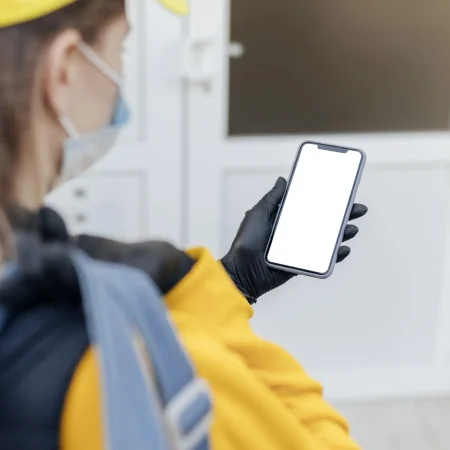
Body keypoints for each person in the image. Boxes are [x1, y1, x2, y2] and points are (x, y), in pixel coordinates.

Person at [0, 1, 368, 449]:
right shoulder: (128, 368)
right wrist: (207, 303)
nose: (120, 72)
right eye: (123, 48)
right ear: (65, 70)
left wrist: (235, 280)